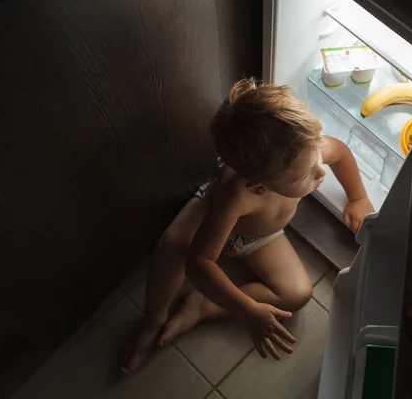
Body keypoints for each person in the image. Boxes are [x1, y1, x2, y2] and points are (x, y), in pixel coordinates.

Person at [121, 78, 375, 373]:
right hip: (214, 217)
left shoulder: (306, 150)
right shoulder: (237, 195)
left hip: (258, 236)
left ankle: (203, 306)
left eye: (318, 159)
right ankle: (152, 320)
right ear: (257, 187)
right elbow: (200, 262)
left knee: (298, 294)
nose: (321, 173)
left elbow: (340, 152)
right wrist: (246, 310)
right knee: (173, 244)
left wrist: (357, 197)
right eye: (305, 176)